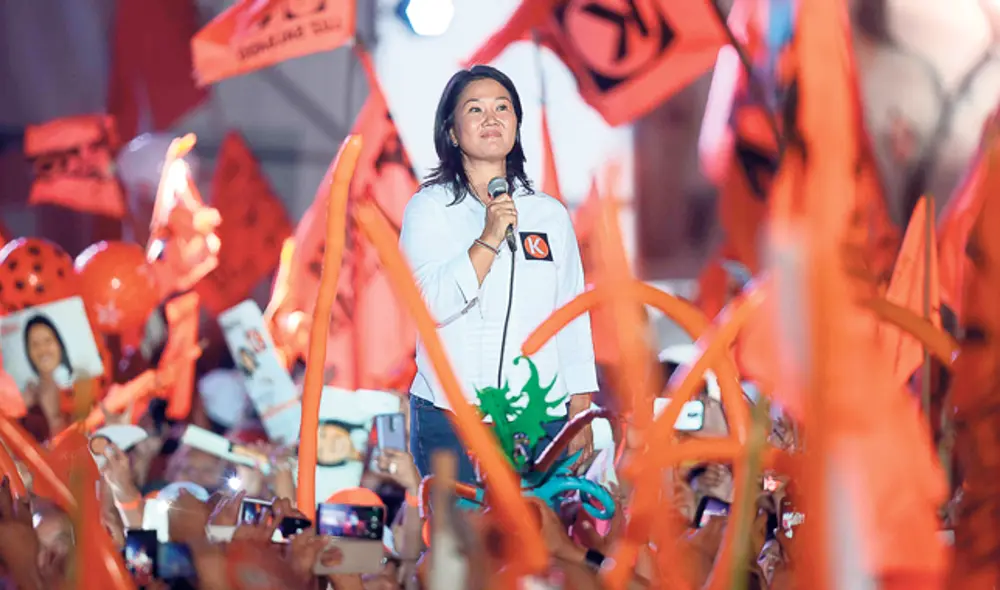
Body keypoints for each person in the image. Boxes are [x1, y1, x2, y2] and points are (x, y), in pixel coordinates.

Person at [399, 65, 598, 484]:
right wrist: (489, 238)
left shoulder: (550, 215)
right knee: (461, 547)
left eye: (502, 107)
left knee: (532, 545)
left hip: (537, 422)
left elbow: (571, 316)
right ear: (452, 132)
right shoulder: (430, 209)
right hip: (450, 419)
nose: (491, 118)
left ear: (516, 124)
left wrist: (581, 407)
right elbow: (428, 305)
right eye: (475, 109)